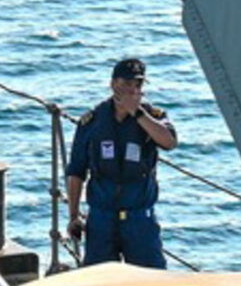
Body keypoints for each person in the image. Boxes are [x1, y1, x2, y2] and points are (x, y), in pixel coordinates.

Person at [64, 56, 178, 268]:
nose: (132, 90)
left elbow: (169, 142)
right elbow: (76, 171)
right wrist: (73, 216)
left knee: (151, 278)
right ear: (113, 84)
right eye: (126, 84)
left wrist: (138, 114)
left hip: (139, 218)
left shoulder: (152, 117)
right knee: (98, 277)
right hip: (102, 217)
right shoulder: (93, 121)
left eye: (138, 84)